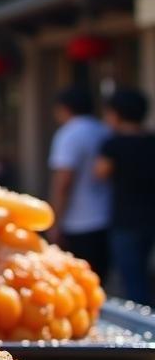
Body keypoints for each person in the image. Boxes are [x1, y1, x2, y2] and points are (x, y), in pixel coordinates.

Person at [96, 88, 155, 303]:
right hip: (150, 214)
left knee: (132, 277)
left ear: (117, 113)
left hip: (125, 217)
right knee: (144, 274)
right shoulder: (151, 141)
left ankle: (142, 330)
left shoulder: (113, 144)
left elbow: (100, 173)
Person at [49, 85, 111, 278]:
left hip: (78, 221)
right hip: (107, 215)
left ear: (64, 108)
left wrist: (54, 220)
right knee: (101, 279)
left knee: (79, 281)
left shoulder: (69, 134)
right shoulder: (104, 129)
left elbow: (63, 181)